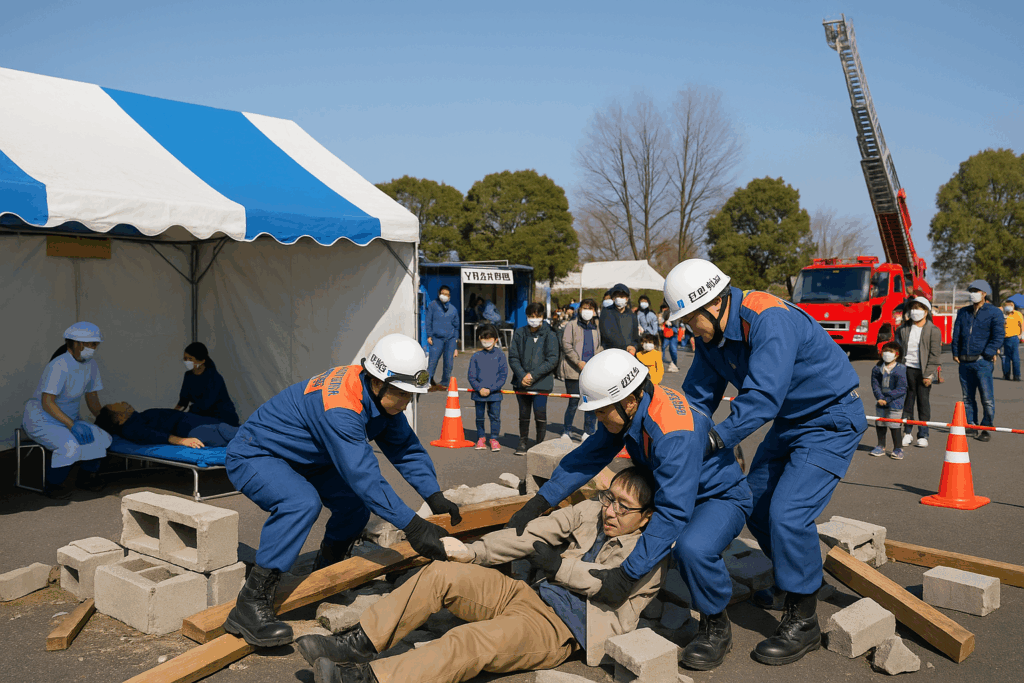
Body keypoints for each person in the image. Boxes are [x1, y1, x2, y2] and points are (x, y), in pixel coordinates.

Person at [665, 259, 866, 666]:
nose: (687, 329)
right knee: (754, 505)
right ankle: (792, 581)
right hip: (792, 422)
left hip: (830, 419)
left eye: (689, 319)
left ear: (714, 304)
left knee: (788, 514)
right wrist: (677, 435)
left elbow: (762, 398)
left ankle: (804, 620)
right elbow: (698, 398)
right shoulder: (712, 338)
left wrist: (717, 440)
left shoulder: (767, 318)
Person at [504, 350, 752, 671]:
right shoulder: (633, 406)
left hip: (718, 497)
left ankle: (715, 625)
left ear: (629, 402)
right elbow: (588, 456)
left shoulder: (672, 433)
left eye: (601, 411)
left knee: (692, 547)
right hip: (675, 488)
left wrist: (625, 576)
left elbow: (673, 512)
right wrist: (539, 502)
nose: (598, 419)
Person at [296, 468, 665, 683]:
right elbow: (532, 535)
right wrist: (474, 551)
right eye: (608, 498)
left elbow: (610, 586)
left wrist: (559, 567)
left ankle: (365, 680)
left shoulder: (649, 550)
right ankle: (358, 643)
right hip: (527, 595)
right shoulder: (589, 511)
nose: (610, 510)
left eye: (623, 506)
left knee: (470, 640)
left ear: (646, 515)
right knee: (443, 573)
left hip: (562, 628)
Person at [221, 334, 462, 648]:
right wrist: (413, 526)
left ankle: (326, 577)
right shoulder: (342, 408)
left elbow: (405, 448)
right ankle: (250, 604)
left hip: (308, 456)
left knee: (353, 507)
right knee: (301, 503)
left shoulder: (379, 396)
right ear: (378, 381)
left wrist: (434, 495)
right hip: (258, 455)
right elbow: (365, 478)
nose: (406, 403)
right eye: (403, 394)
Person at [23, 322, 113, 497]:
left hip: (68, 419)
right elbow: (47, 402)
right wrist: (72, 425)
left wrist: (105, 419)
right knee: (68, 447)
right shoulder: (59, 366)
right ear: (77, 343)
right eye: (92, 344)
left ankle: (85, 478)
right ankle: (52, 484)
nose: (94, 348)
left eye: (96, 344)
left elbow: (92, 397)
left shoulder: (91, 365)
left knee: (102, 438)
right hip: (42, 419)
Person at [951, 279, 1004, 441]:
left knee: (987, 398)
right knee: (968, 398)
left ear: (984, 294)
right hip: (964, 362)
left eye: (976, 291)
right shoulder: (963, 312)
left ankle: (986, 427)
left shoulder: (994, 312)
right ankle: (971, 425)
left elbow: (998, 336)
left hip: (983, 362)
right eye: (971, 290)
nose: (973, 294)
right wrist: (955, 352)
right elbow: (957, 334)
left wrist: (987, 354)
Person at [508, 303, 559, 455]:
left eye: (537, 316)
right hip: (521, 383)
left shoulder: (550, 334)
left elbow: (552, 359)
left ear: (543, 317)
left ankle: (539, 444)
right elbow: (513, 357)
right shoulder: (520, 332)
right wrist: (522, 375)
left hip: (542, 383)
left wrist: (533, 375)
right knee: (523, 414)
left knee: (540, 413)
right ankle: (523, 441)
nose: (534, 319)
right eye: (531, 316)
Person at [897, 297, 941, 448]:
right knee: (908, 402)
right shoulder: (903, 329)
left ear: (926, 311)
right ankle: (907, 433)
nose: (915, 311)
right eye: (913, 308)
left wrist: (929, 374)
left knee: (923, 402)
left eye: (919, 308)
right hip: (906, 369)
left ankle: (923, 434)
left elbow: (935, 355)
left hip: (923, 372)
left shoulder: (933, 330)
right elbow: (897, 349)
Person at [96, 402, 238, 448]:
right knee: (225, 431)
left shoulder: (135, 419)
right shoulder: (130, 429)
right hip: (186, 428)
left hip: (187, 421)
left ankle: (257, 433)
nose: (121, 402)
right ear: (119, 418)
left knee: (227, 428)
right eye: (116, 405)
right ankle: (259, 435)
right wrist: (182, 441)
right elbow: (150, 435)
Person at [558, 298, 603, 443]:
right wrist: (578, 362)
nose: (587, 311)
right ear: (579, 309)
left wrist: (594, 361)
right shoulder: (571, 325)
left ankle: (588, 431)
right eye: (584, 308)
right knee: (573, 403)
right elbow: (566, 344)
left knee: (591, 402)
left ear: (595, 311)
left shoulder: (596, 326)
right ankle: (566, 430)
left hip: (592, 372)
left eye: (590, 308)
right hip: (574, 370)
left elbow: (600, 346)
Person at [175, 342, 239, 427]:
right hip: (202, 416)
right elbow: (183, 401)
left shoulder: (214, 377)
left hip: (222, 418)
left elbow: (205, 405)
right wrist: (173, 413)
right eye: (185, 359)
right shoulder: (188, 376)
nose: (187, 362)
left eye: (190, 359)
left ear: (202, 360)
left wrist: (188, 414)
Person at [467, 325, 507, 452]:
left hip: (494, 394)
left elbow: (503, 376)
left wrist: (490, 389)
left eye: (490, 339)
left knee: (495, 417)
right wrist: (479, 388)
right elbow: (471, 376)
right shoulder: (476, 356)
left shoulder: (500, 355)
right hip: (479, 394)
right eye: (484, 339)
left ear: (496, 340)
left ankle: (494, 439)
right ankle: (481, 438)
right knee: (479, 417)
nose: (487, 341)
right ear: (479, 339)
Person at [870, 342, 908, 460]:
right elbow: (875, 384)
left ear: (897, 355)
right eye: (885, 351)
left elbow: (902, 388)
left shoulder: (901, 368)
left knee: (894, 425)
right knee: (880, 423)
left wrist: (887, 398)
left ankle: (898, 448)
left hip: (895, 402)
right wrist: (880, 398)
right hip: (881, 401)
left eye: (890, 352)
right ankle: (881, 446)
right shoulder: (877, 368)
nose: (887, 354)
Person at [426, 285, 460, 391]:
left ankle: (445, 383)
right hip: (437, 338)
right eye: (443, 293)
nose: (444, 296)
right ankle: (427, 382)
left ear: (450, 296)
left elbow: (456, 326)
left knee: (448, 362)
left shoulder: (453, 309)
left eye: (447, 294)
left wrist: (455, 343)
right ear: (439, 293)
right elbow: (428, 321)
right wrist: (429, 335)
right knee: (432, 361)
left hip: (450, 340)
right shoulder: (433, 305)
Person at [599, 283, 640, 355]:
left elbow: (635, 336)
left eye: (623, 296)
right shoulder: (606, 312)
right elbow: (607, 334)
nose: (620, 299)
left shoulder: (631, 315)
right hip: (611, 353)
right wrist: (625, 347)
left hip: (629, 354)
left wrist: (634, 347)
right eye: (618, 296)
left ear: (627, 298)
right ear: (613, 298)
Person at [1001, 299, 1023, 381]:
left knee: (1015, 358)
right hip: (1004, 338)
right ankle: (1006, 374)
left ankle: (1016, 375)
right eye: (1007, 305)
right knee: (1005, 358)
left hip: (1014, 337)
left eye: (1010, 305)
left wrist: (1020, 335)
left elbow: (1022, 325)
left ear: (1013, 306)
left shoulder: (1017, 314)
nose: (1008, 307)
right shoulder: (1003, 315)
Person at [659, 301, 680, 373]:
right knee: (663, 347)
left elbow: (677, 323)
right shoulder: (665, 313)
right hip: (666, 334)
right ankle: (661, 361)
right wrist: (663, 323)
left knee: (673, 349)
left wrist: (671, 323)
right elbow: (662, 321)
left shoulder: (676, 312)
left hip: (673, 334)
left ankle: (675, 362)